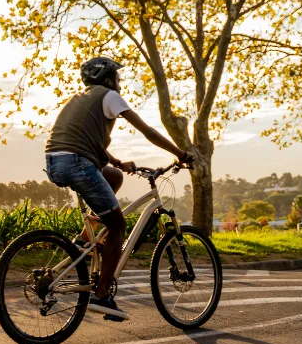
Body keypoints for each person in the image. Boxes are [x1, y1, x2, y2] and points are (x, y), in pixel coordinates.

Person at [44, 57, 192, 321]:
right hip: (78, 162)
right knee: (118, 226)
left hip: (58, 161)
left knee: (112, 176)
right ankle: (102, 295)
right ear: (108, 79)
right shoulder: (109, 96)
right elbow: (146, 131)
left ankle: (85, 239)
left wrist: (116, 162)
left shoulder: (79, 99)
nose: (120, 83)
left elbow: (84, 140)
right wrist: (180, 153)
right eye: (117, 77)